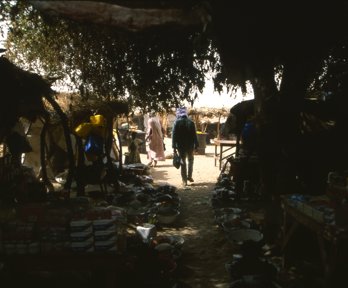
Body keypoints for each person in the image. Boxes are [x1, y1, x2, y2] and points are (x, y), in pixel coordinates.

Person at [172, 107, 199, 187]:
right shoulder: (191, 122)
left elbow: (174, 135)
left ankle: (184, 181)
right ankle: (189, 176)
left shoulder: (176, 123)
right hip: (190, 145)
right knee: (191, 160)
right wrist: (196, 145)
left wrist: (174, 147)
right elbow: (195, 135)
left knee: (183, 162)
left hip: (180, 146)